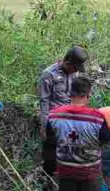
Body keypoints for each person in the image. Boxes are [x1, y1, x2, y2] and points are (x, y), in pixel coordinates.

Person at [46, 75, 110, 191]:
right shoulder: (97, 118)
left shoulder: (54, 115)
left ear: (69, 92)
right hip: (89, 172)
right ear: (88, 94)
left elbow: (50, 142)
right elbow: (106, 139)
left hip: (66, 170)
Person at [38, 46, 89, 181]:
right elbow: (44, 102)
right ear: (67, 63)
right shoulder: (48, 74)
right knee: (50, 157)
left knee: (70, 154)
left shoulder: (74, 74)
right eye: (75, 68)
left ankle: (65, 181)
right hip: (54, 122)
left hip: (70, 121)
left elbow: (75, 97)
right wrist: (44, 126)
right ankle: (47, 183)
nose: (76, 71)